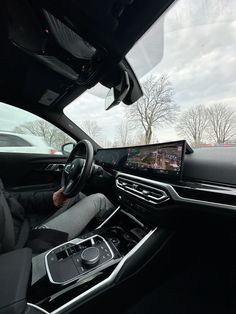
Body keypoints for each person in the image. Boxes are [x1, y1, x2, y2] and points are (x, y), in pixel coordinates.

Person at [0, 181, 115, 254]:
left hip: (23, 222)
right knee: (99, 200)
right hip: (24, 245)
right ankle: (119, 233)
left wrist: (52, 199)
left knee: (74, 195)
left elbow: (10, 198)